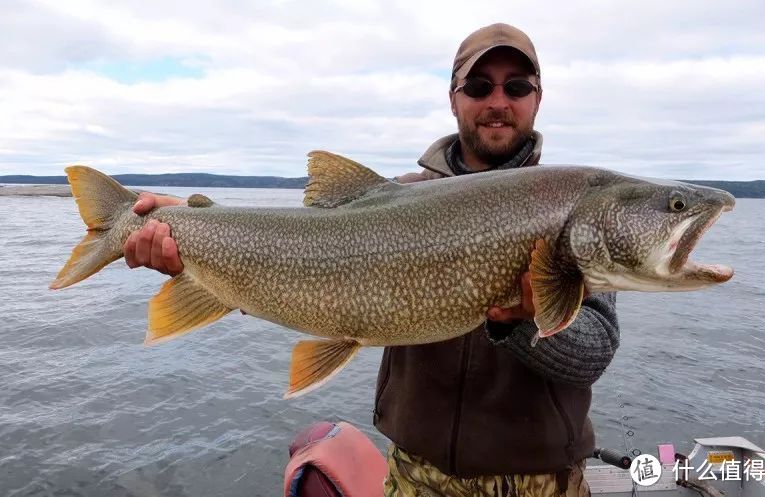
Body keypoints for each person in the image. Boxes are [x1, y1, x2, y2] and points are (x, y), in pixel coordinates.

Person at [124, 23, 619, 497]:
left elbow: (594, 351)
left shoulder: (565, 206)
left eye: (515, 86)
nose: (497, 101)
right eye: (478, 86)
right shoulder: (394, 198)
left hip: (541, 480)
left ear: (537, 98)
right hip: (414, 474)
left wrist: (521, 322)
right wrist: (187, 226)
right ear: (453, 98)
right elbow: (288, 249)